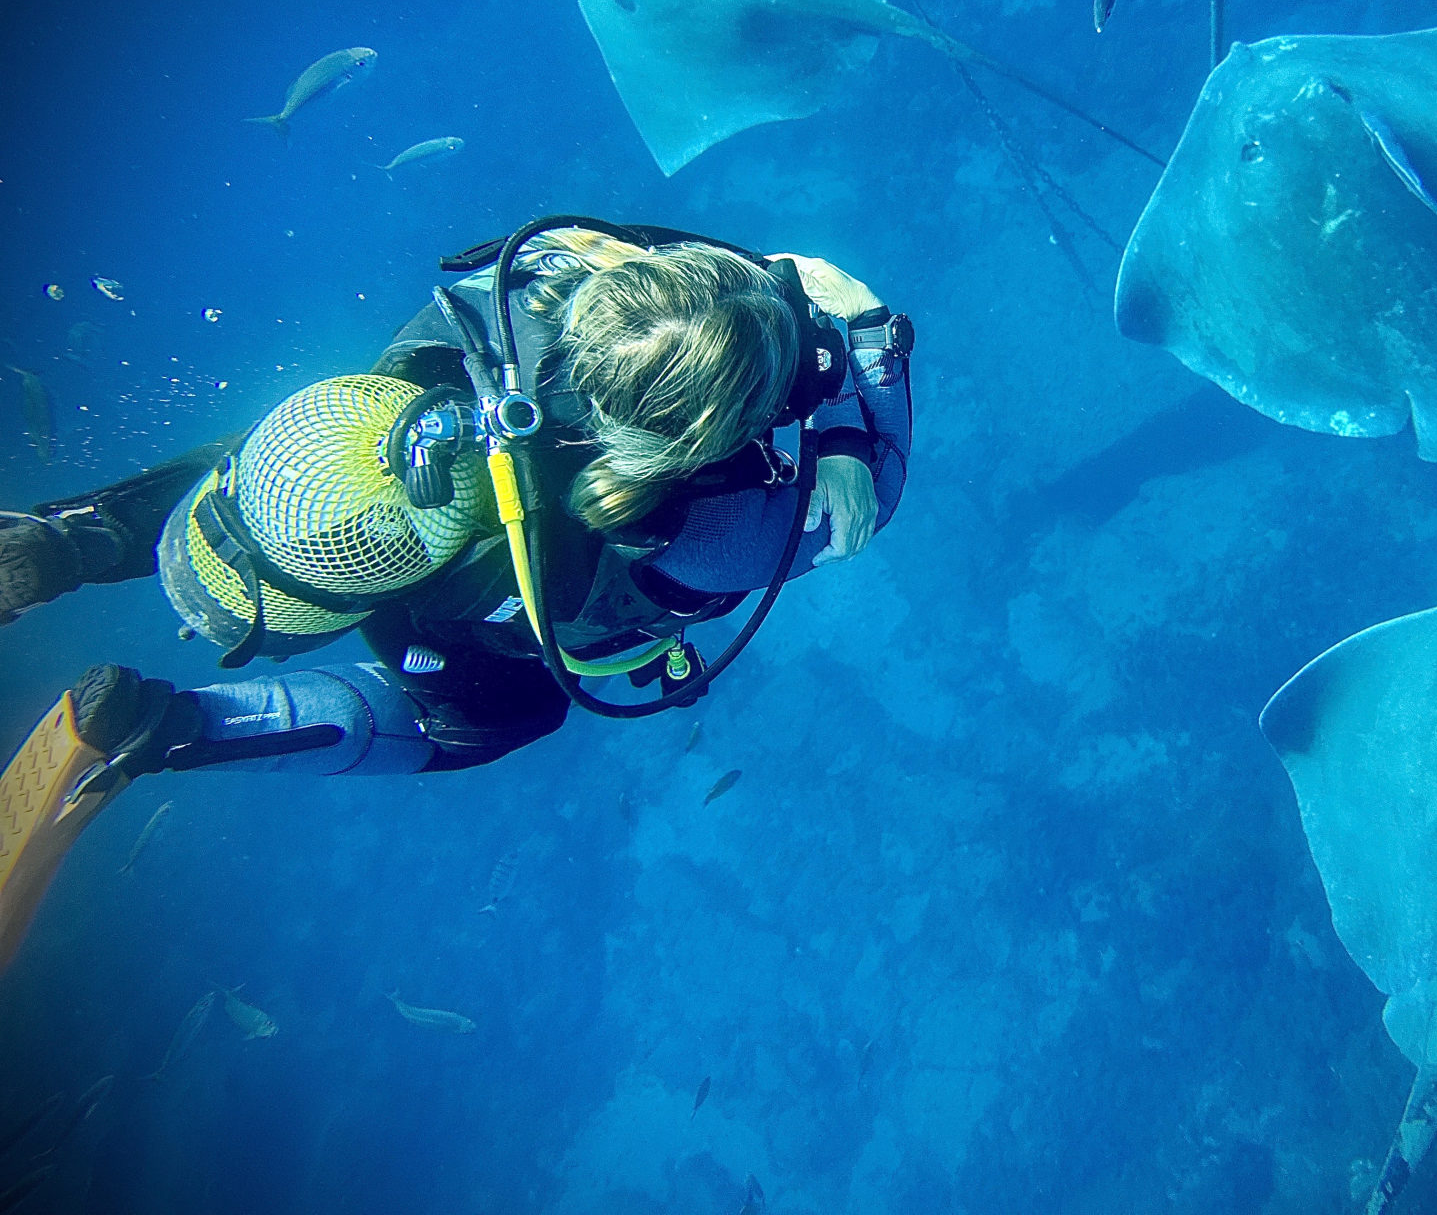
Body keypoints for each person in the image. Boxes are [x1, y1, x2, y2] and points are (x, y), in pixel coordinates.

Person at [0, 219, 913, 966]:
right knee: (490, 725)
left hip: (353, 531)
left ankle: (80, 539)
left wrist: (772, 292)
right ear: (709, 442)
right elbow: (879, 474)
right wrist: (856, 368)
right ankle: (170, 730)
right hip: (454, 626)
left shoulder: (522, 289)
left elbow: (702, 280)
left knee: (319, 463)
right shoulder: (713, 539)